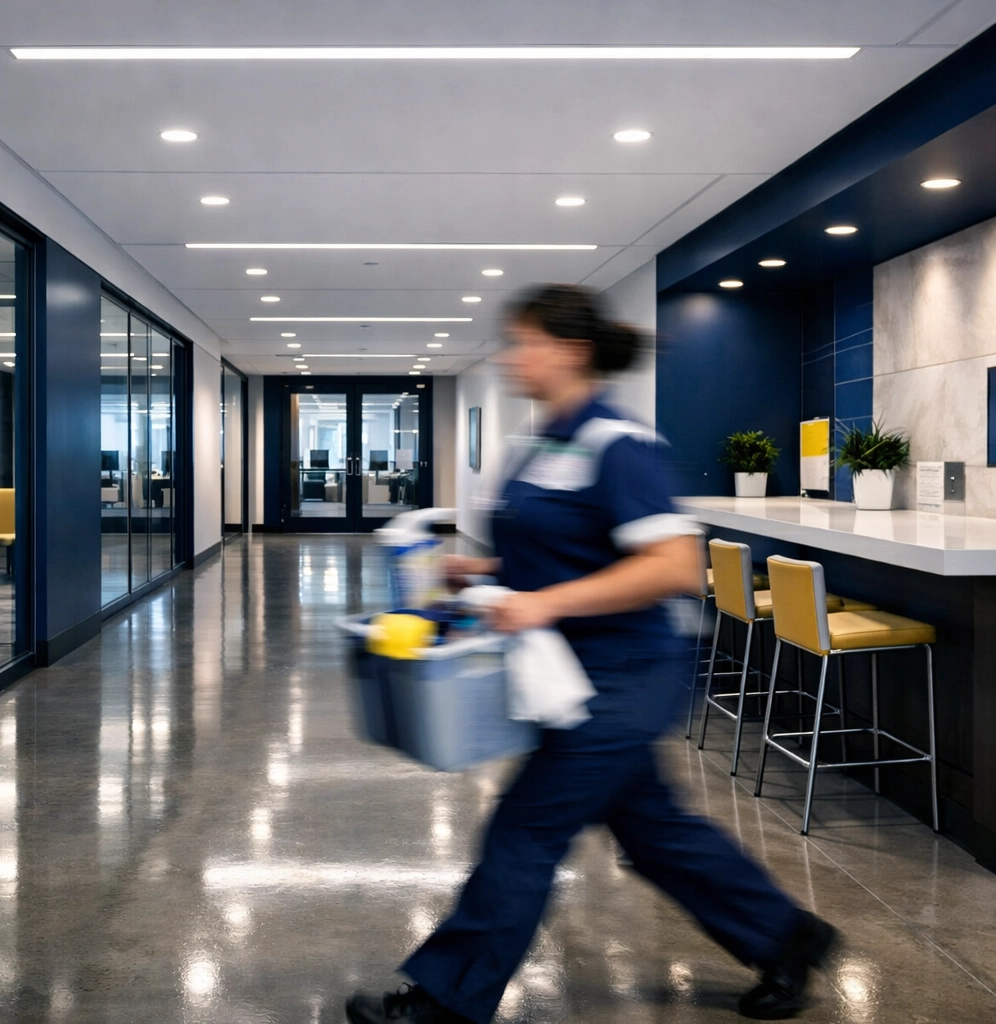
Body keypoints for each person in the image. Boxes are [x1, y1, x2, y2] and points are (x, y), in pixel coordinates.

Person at [345, 285, 837, 1024]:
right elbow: (560, 555)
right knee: (652, 828)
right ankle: (786, 936)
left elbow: (673, 566)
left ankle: (446, 999)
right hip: (567, 672)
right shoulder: (543, 442)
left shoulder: (619, 442)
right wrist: (478, 573)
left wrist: (542, 603)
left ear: (569, 352)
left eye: (523, 342)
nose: (510, 356)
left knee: (525, 829)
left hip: (623, 674)